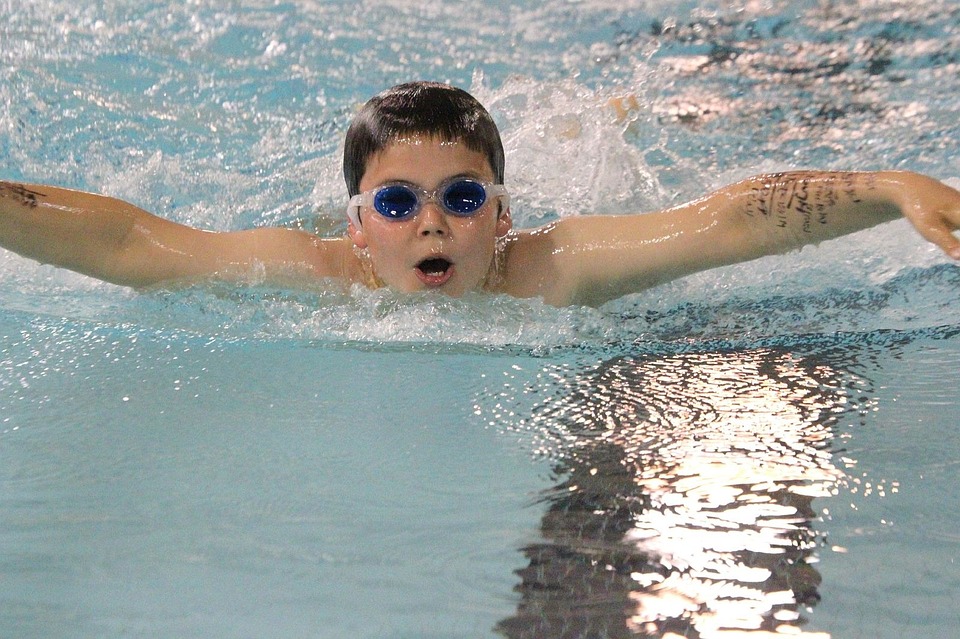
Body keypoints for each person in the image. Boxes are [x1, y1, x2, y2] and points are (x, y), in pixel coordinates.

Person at [1, 81, 959, 308]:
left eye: (462, 199)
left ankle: (608, 119)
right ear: (356, 224)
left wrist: (887, 185)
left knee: (613, 140)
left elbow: (720, 222)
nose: (430, 222)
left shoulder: (545, 269)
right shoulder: (316, 275)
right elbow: (131, 245)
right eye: (396, 204)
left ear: (502, 217)